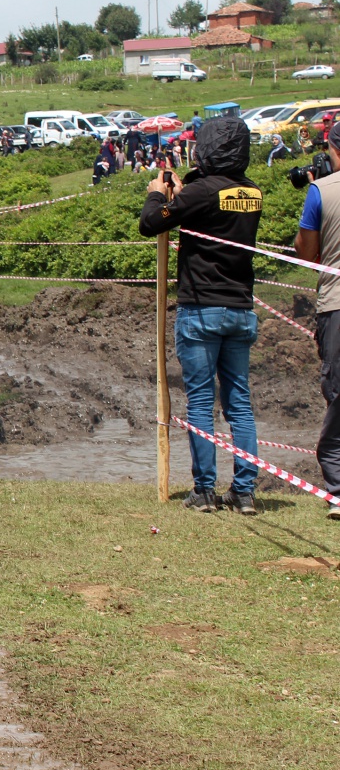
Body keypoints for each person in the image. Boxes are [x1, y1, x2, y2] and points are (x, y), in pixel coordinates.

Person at [138, 116, 263, 515]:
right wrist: (184, 191)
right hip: (241, 307)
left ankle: (204, 490)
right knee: (239, 403)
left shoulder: (202, 191)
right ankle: (244, 492)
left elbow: (150, 224)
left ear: (207, 148)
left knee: (200, 401)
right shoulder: (251, 192)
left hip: (202, 309)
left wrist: (158, 194)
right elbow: (206, 206)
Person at [296, 123, 340, 517]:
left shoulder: (320, 191)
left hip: (336, 302)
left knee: (338, 390)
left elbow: (306, 253)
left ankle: (339, 487)